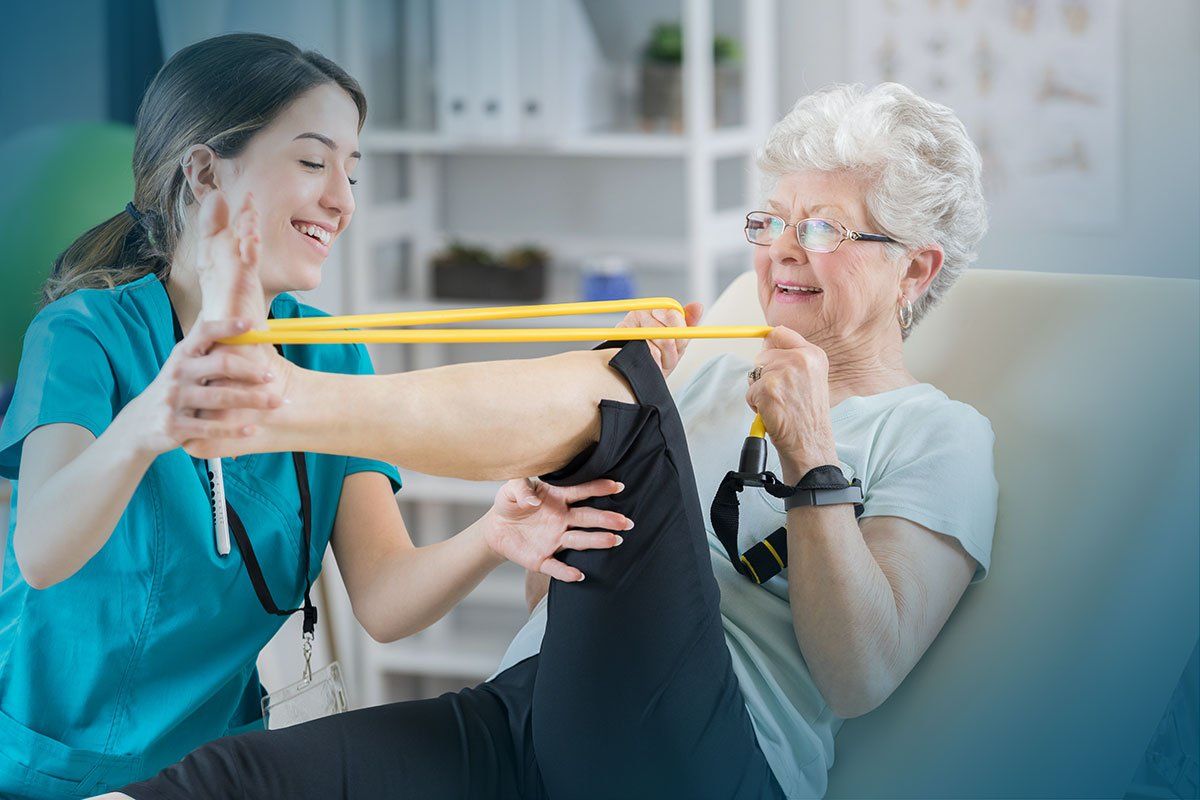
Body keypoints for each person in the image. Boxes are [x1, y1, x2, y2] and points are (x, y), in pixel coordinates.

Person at [114, 82, 998, 799]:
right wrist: (554, 490)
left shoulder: (939, 436)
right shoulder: (704, 378)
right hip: (534, 715)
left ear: (914, 267)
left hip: (706, 762)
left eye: (821, 229)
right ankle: (272, 398)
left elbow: (860, 676)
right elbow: (553, 597)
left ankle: (271, 399)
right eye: (768, 224)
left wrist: (812, 460)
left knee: (623, 400)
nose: (780, 254)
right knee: (225, 783)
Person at [0, 34, 631, 799]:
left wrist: (492, 537)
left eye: (352, 171)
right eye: (312, 161)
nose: (343, 198)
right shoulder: (85, 335)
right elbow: (40, 550)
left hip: (214, 773)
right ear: (203, 172)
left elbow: (386, 600)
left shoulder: (331, 359)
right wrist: (149, 423)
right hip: (48, 770)